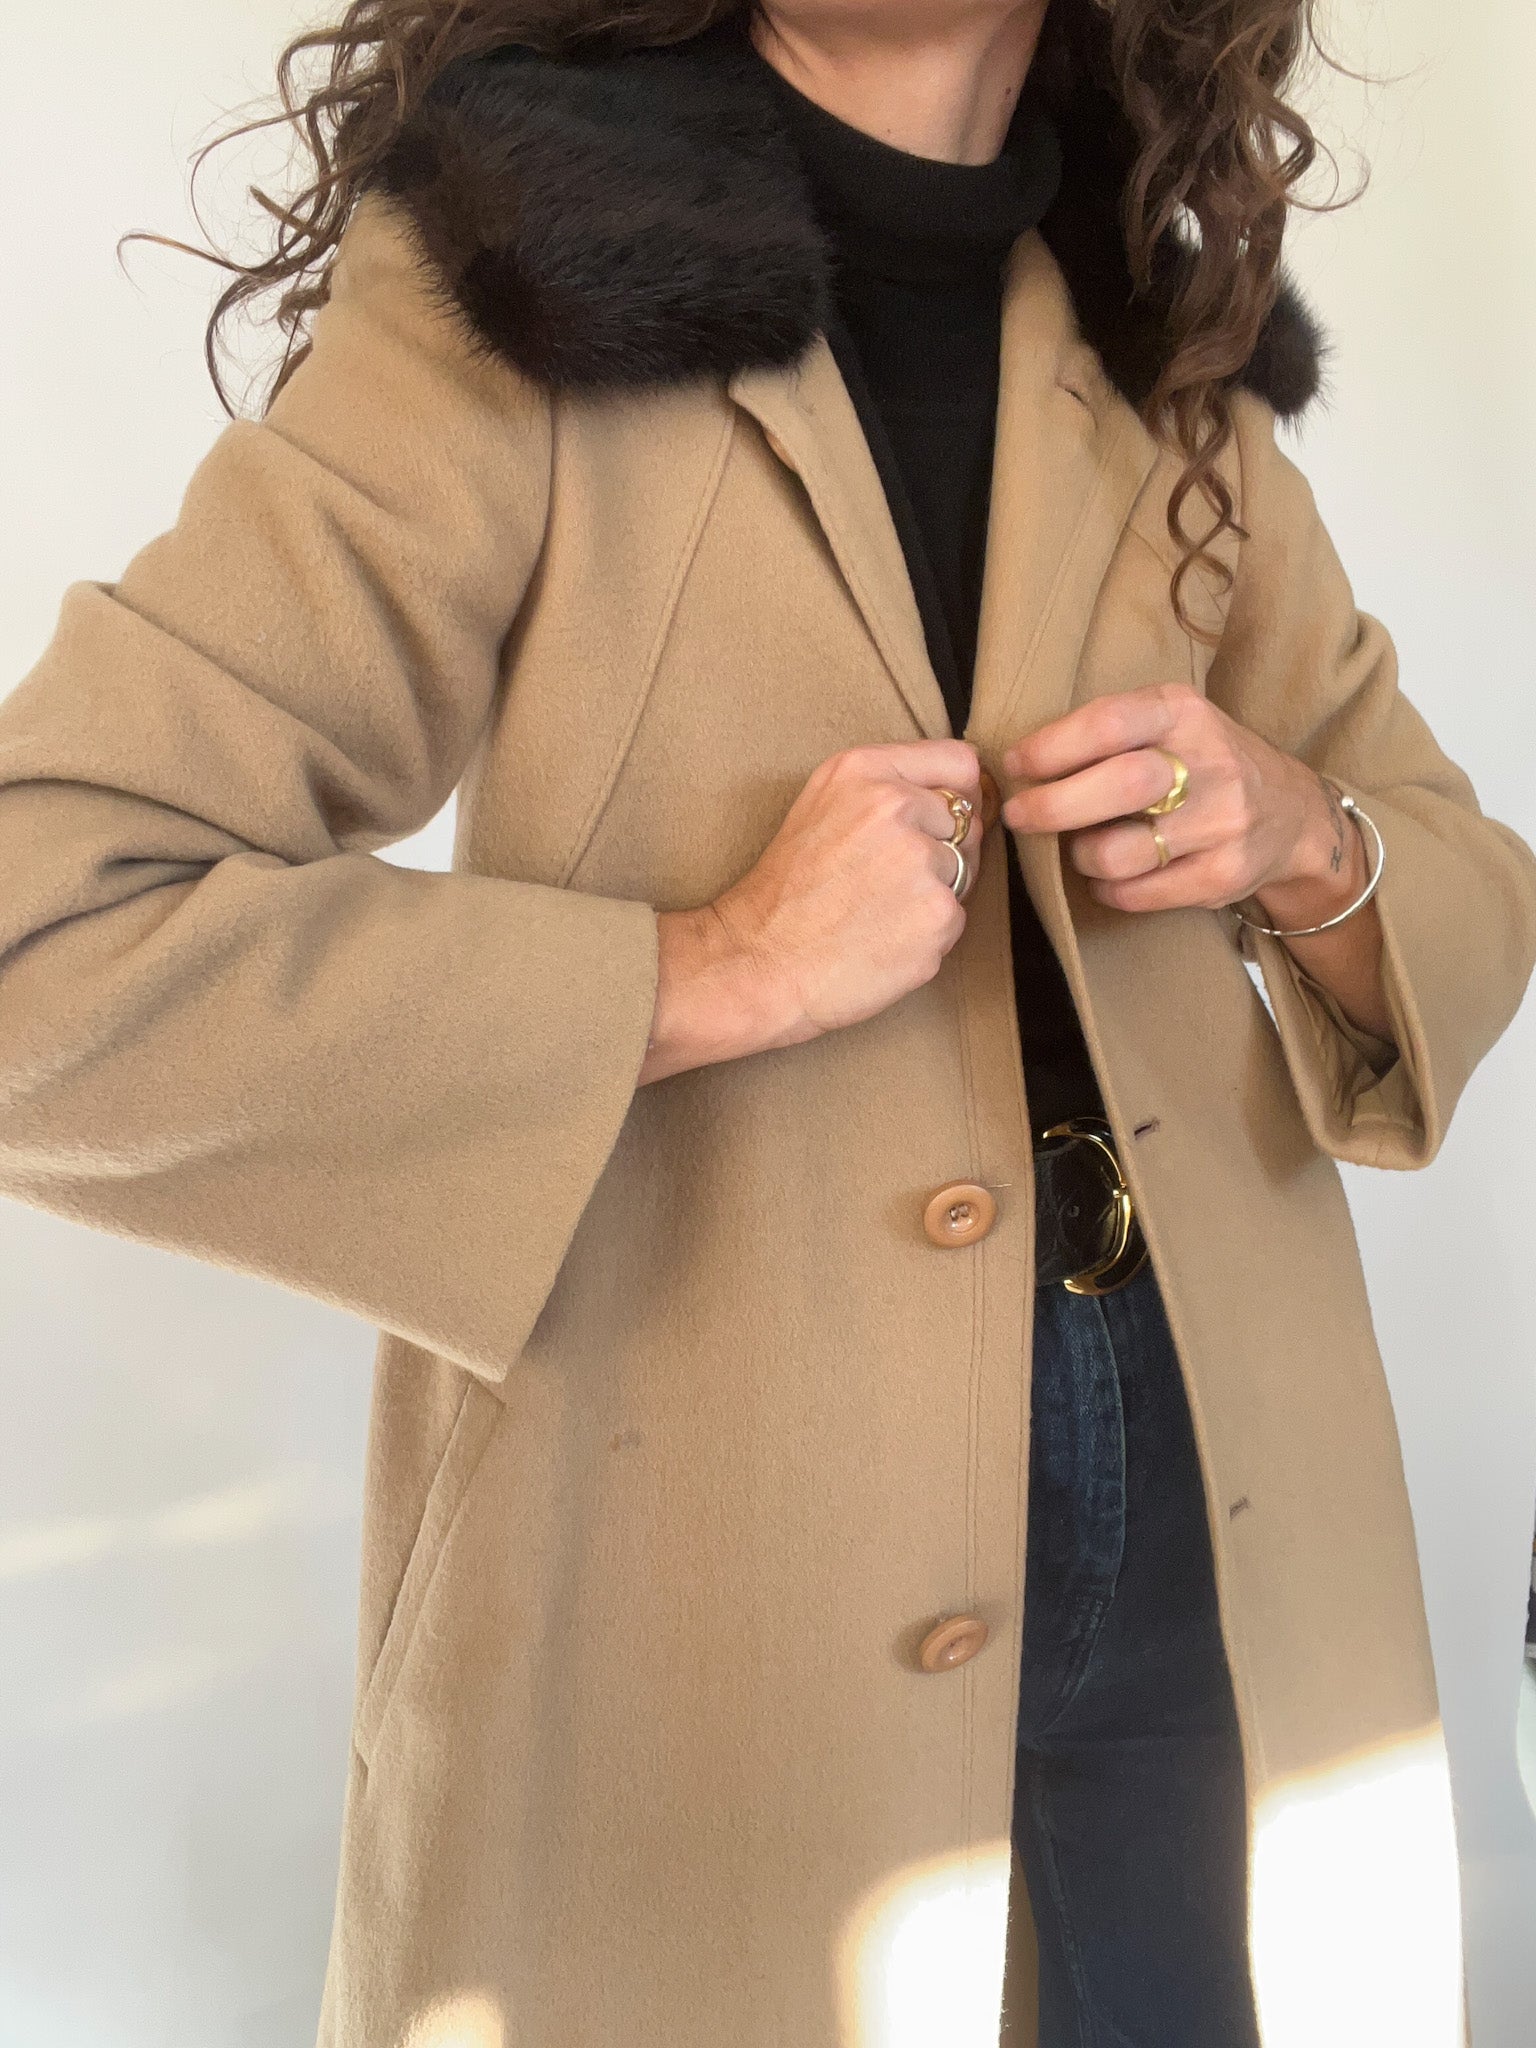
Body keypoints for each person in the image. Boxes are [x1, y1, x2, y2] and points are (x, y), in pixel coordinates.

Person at [1, 3, 1532, 2044]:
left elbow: (1462, 880)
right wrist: (711, 962)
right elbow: (47, 926)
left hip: (1218, 1485)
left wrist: (1305, 835)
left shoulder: (1160, 345)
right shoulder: (522, 278)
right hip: (717, 1519)